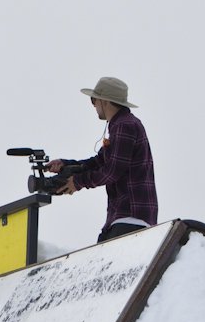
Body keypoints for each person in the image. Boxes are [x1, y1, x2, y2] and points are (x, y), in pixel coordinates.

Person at [46, 76, 158, 242]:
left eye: (93, 100)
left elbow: (112, 171)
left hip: (130, 218)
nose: (93, 105)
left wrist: (77, 182)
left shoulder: (124, 126)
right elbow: (99, 162)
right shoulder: (121, 125)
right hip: (127, 218)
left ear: (105, 101)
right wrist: (66, 165)